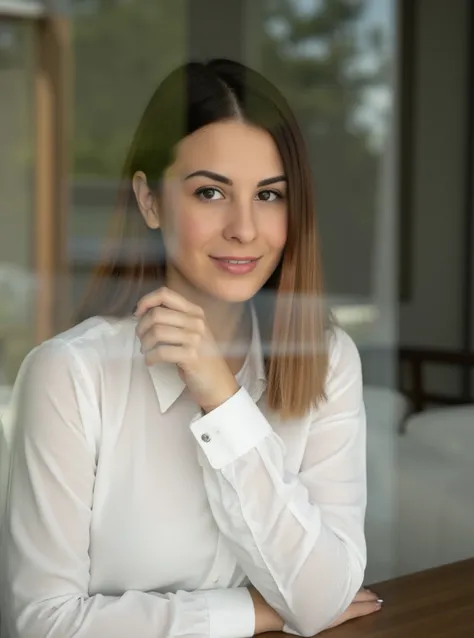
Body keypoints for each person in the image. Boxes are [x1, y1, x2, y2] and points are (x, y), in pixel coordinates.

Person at [0, 59, 381, 638]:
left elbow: (327, 595)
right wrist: (253, 612)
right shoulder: (69, 375)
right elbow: (42, 625)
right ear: (149, 201)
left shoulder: (327, 360)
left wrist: (223, 401)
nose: (245, 229)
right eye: (210, 192)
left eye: (270, 195)